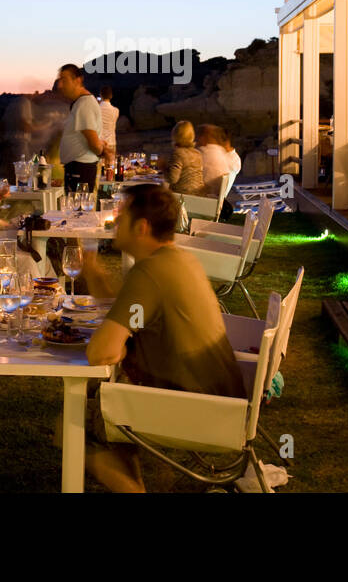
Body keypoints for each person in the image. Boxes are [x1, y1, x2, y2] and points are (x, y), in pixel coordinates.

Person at [75, 185, 246, 492]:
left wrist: (116, 348)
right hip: (222, 402)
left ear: (141, 227)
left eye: (121, 215)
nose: (114, 221)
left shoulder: (149, 272)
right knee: (105, 392)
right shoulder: (176, 259)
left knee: (74, 423)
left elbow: (99, 354)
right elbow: (137, 316)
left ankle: (120, 478)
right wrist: (97, 280)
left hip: (197, 412)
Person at [56, 64, 108, 192]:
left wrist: (102, 149)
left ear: (78, 80)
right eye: (59, 80)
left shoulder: (84, 104)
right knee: (76, 210)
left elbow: (94, 144)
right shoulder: (80, 103)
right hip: (78, 169)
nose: (60, 85)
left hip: (80, 170)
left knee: (78, 210)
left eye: (64, 80)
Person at [165, 121, 204, 197]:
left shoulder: (178, 153)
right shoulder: (197, 153)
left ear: (175, 136)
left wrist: (162, 167)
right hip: (199, 195)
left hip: (182, 196)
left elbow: (172, 179)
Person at [197, 124, 230, 196]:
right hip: (216, 197)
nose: (197, 139)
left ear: (204, 137)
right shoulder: (221, 151)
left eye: (199, 136)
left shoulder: (202, 152)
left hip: (204, 198)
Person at [98, 85, 120, 152]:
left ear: (101, 95)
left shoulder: (96, 109)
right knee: (111, 162)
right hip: (111, 142)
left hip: (99, 143)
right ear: (111, 96)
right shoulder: (116, 110)